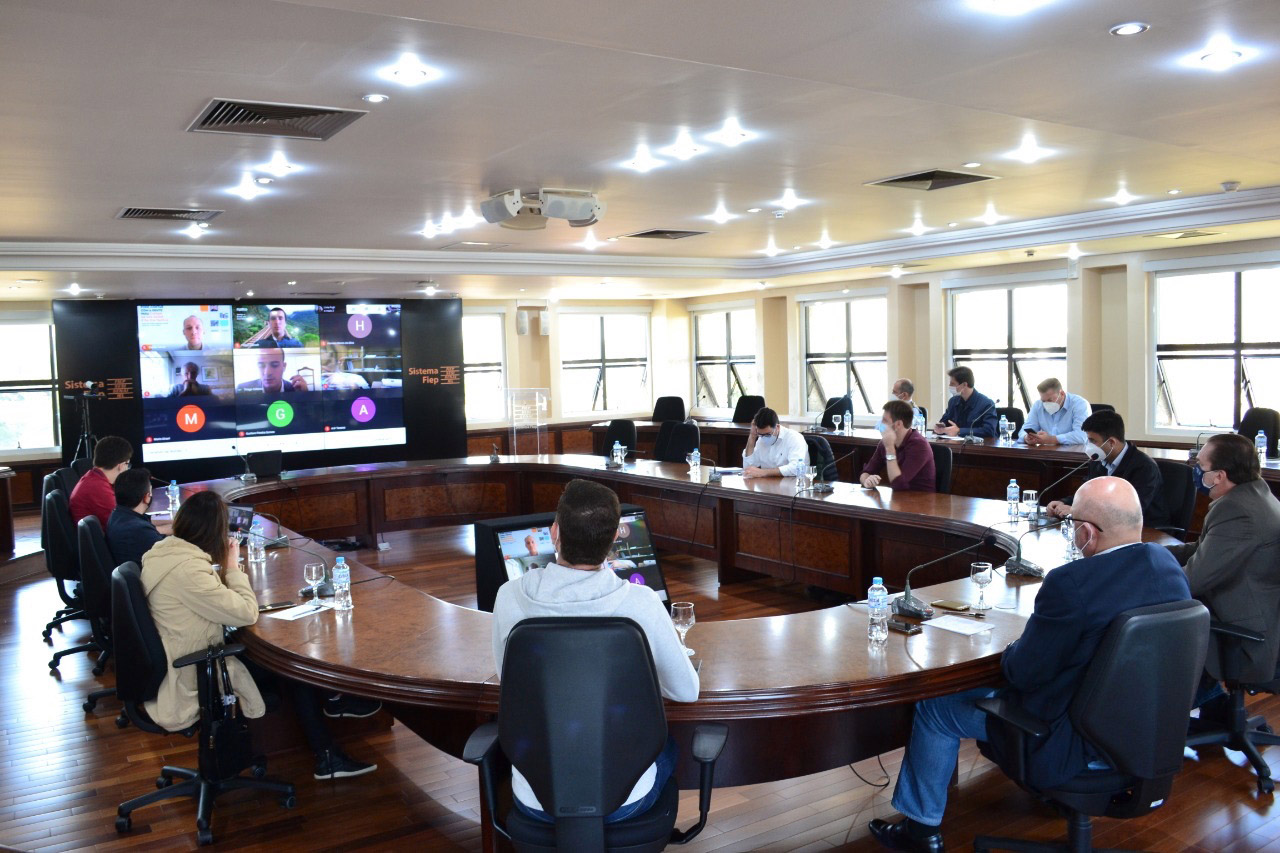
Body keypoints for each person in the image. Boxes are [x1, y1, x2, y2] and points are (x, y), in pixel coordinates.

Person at [868, 477, 1190, 852]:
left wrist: (1014, 647)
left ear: (1087, 532)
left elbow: (1022, 673)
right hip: (1145, 734)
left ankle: (920, 832)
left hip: (1070, 742)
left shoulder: (1072, 583)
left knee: (936, 707)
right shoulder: (1167, 566)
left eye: (1073, 524)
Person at [491, 479, 698, 823]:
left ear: (554, 532)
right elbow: (686, 692)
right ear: (615, 536)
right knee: (669, 747)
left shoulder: (508, 596)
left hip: (536, 797)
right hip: (625, 799)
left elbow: (506, 680)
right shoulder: (642, 604)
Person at [140, 490, 378, 779]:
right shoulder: (188, 571)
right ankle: (327, 755)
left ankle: (333, 699)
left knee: (278, 656)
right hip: (197, 672)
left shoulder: (164, 554)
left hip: (180, 658)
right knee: (293, 668)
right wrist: (232, 566)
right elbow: (246, 613)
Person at [1168, 434, 1280, 695]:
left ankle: (1194, 706)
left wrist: (1146, 577)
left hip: (1244, 637)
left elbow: (1192, 580)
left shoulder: (1237, 511)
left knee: (1155, 623)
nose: (1196, 471)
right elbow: (1201, 549)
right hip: (1254, 615)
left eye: (1200, 465)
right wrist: (1150, 553)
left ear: (1219, 476)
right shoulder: (1255, 492)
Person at [1045, 410, 1169, 528]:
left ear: (1111, 442)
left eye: (1092, 440)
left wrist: (1078, 511)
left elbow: (1132, 512)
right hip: (1108, 527)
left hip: (1145, 529)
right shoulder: (1097, 461)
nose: (1088, 446)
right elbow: (1086, 495)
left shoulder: (1144, 467)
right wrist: (1064, 503)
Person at [860, 400, 936, 492]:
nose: (881, 424)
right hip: (898, 497)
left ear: (898, 424)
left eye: (885, 421)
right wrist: (866, 480)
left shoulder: (919, 445)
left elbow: (899, 484)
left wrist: (890, 448)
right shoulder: (884, 443)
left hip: (921, 498)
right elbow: (866, 472)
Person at [106, 467, 168, 569]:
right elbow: (171, 550)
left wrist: (177, 523)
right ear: (146, 497)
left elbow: (149, 520)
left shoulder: (119, 514)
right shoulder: (138, 529)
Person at [69, 435, 133, 527]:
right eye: (127, 464)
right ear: (121, 465)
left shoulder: (94, 478)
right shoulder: (97, 487)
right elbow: (126, 523)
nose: (127, 468)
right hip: (109, 535)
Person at [742, 407, 810, 479]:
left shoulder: (794, 438)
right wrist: (752, 436)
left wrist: (764, 472)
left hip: (795, 482)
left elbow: (795, 468)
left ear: (777, 427)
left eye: (768, 434)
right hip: (769, 483)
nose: (764, 437)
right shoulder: (761, 439)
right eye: (760, 434)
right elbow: (748, 468)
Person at [1022, 377, 1090, 446]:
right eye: (1043, 401)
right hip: (1047, 450)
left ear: (1062, 394)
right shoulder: (1038, 405)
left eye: (1050, 400)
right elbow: (1025, 429)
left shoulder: (1080, 404)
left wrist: (1051, 440)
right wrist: (1027, 438)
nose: (1046, 404)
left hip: (1075, 451)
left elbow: (1081, 436)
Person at [934, 366, 997, 439]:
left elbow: (989, 430)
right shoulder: (953, 401)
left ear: (964, 385)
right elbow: (946, 420)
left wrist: (959, 431)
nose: (949, 386)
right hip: (955, 443)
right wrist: (942, 426)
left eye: (952, 384)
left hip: (980, 444)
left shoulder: (987, 404)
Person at [235, 347, 309, 393]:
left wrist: (306, 397)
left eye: (274, 365)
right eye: (261, 365)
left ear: (284, 367)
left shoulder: (296, 390)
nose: (267, 373)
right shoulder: (242, 389)